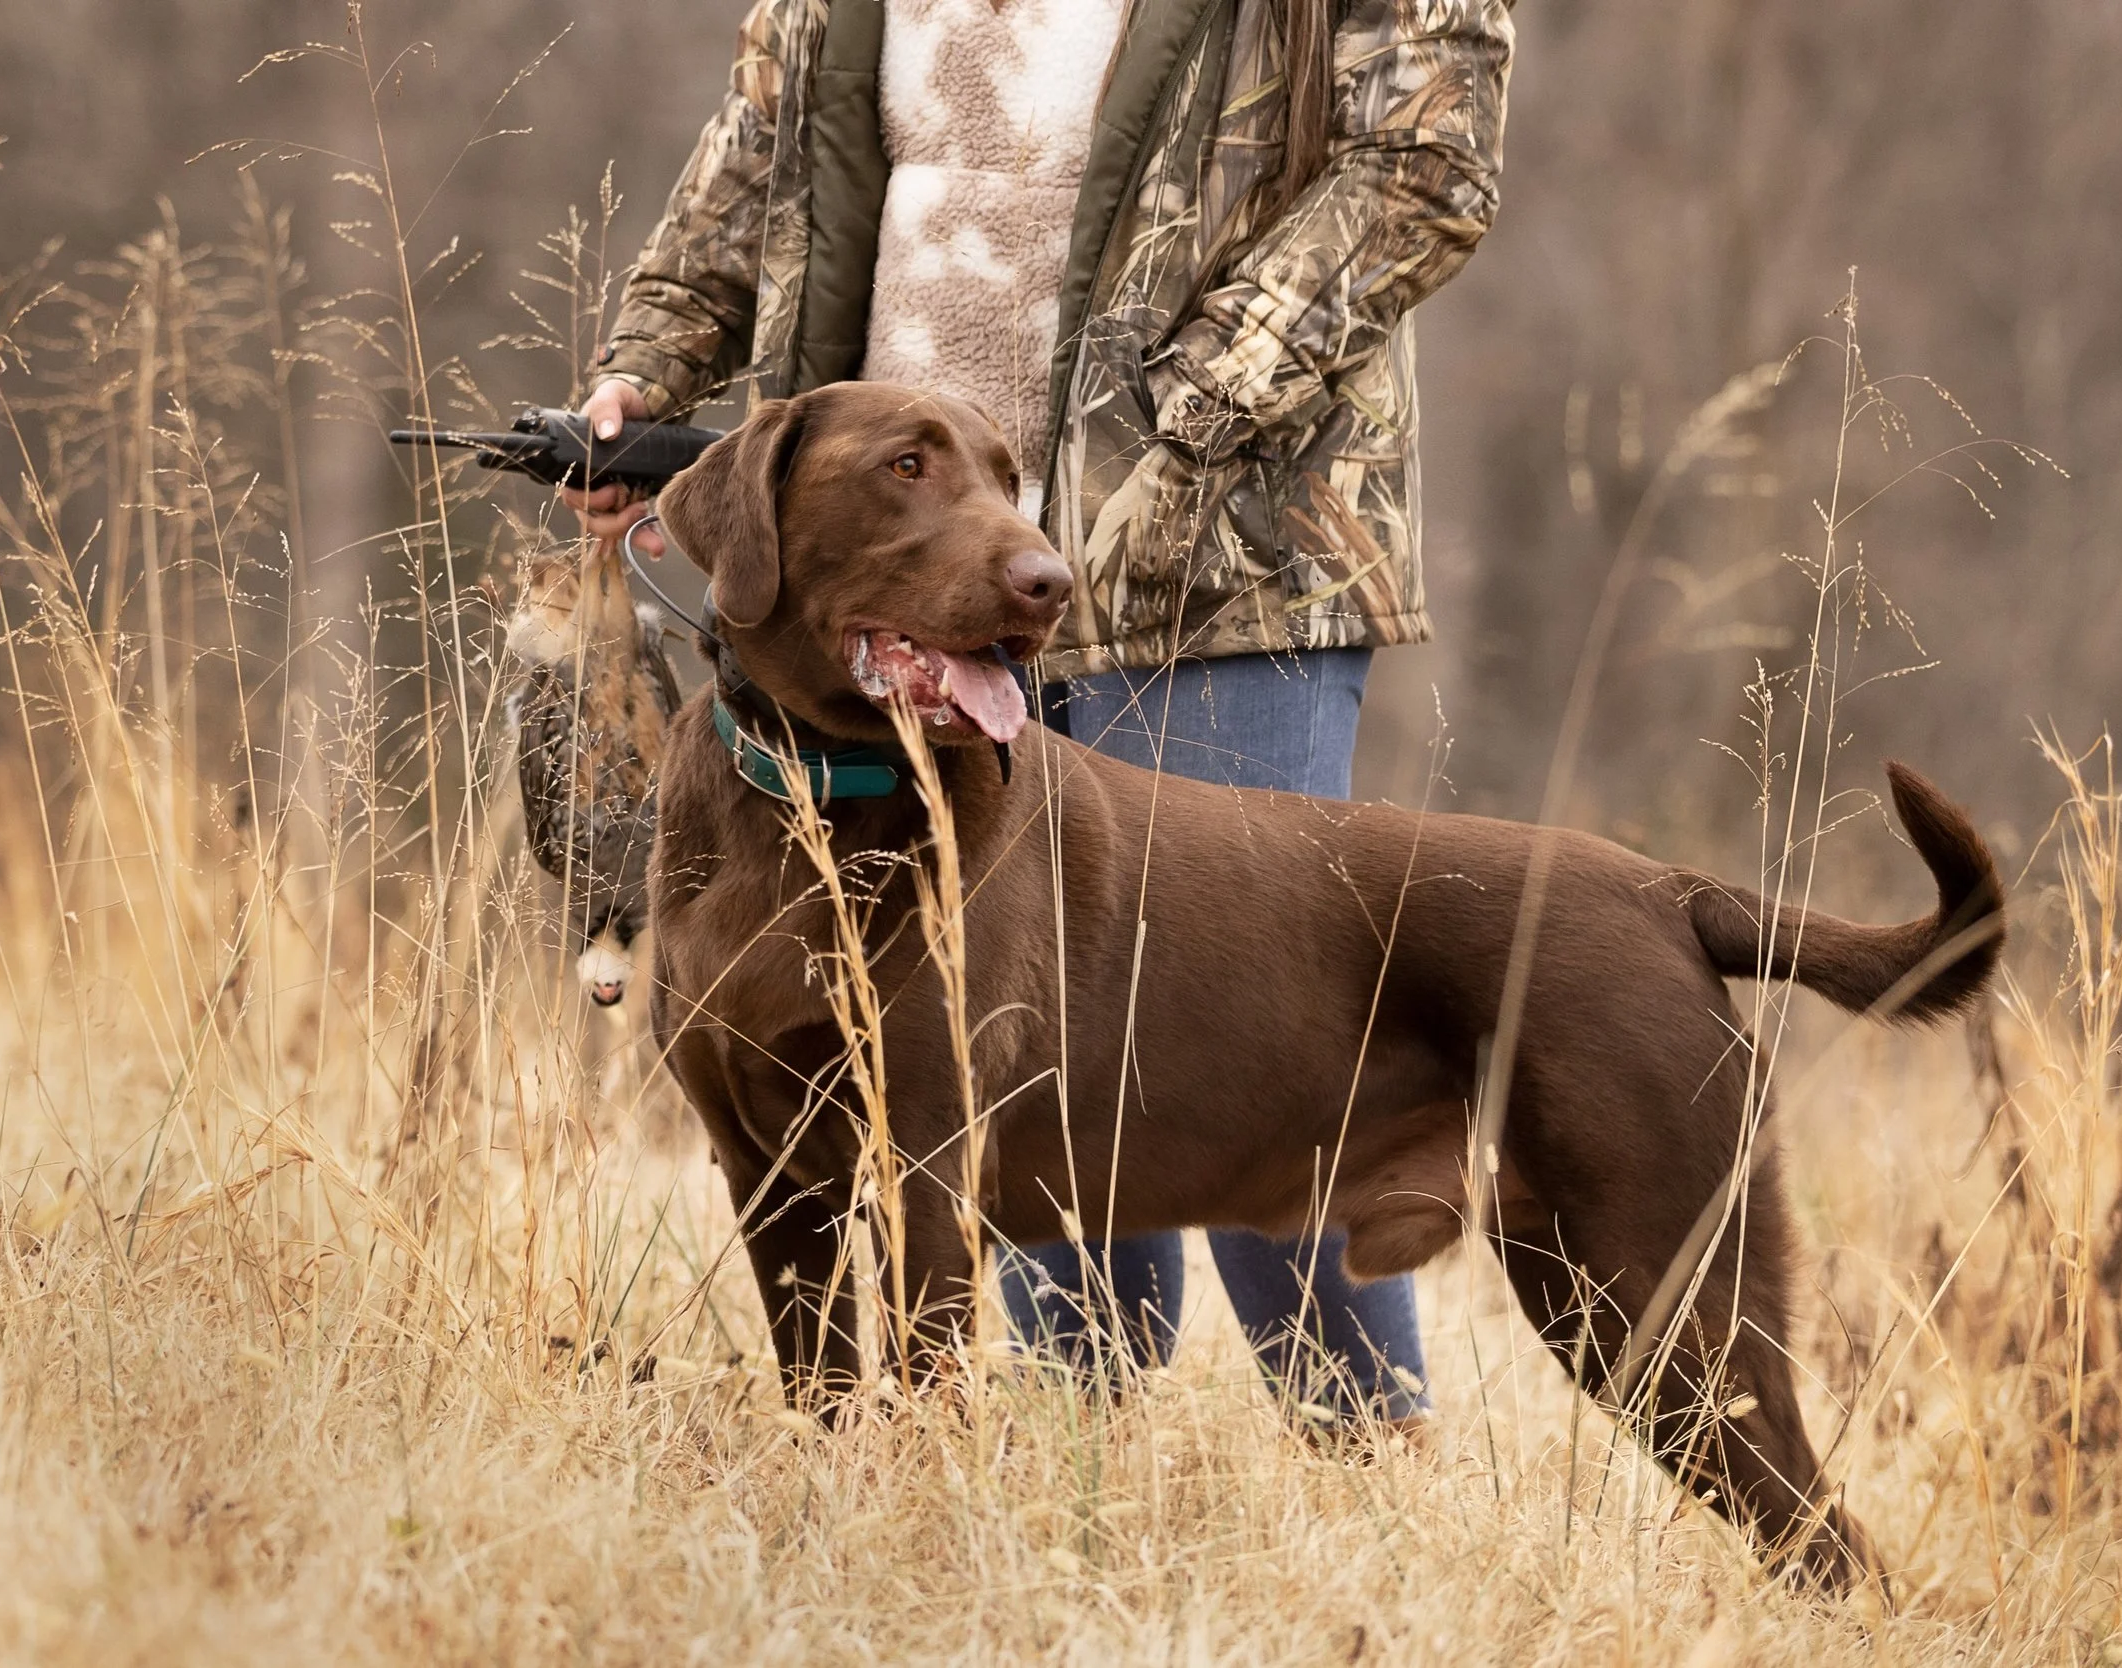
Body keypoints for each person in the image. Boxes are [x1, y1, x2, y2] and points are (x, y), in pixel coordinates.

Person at [564, 0, 1513, 1435]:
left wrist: (1172, 417)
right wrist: (647, 377)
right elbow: (760, 158)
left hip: (1214, 556)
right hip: (892, 587)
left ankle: (1360, 1466)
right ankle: (1073, 1469)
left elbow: (1427, 166)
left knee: (1261, 1050)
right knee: (1002, 1069)